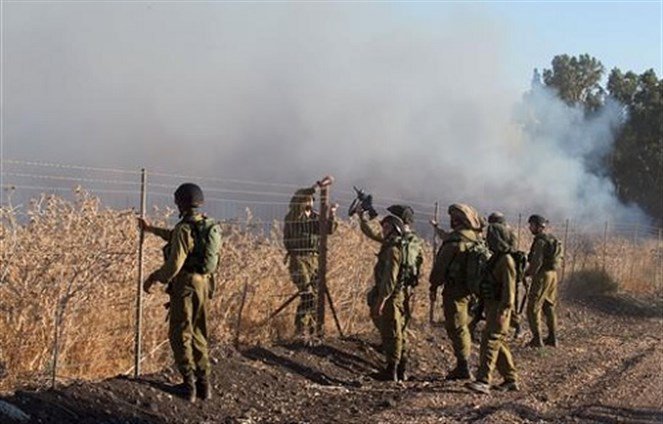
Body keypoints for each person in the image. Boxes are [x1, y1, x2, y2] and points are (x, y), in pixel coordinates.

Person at [140, 183, 220, 403]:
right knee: (199, 332)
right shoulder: (206, 225)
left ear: (181, 203)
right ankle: (204, 385)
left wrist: (154, 277)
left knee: (180, 333)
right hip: (204, 285)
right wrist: (151, 229)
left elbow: (174, 265)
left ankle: (188, 385)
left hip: (185, 286)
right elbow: (177, 237)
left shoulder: (185, 228)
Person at [429, 203, 484, 380]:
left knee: (456, 327)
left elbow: (439, 268)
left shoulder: (454, 241)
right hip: (473, 291)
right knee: (464, 325)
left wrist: (433, 286)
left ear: (456, 220)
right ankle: (467, 361)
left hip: (455, 291)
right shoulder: (476, 239)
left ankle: (463, 366)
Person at [466, 222, 520, 394]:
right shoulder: (496, 258)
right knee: (498, 343)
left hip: (500, 308)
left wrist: (504, 311)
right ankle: (510, 379)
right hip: (492, 306)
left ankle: (483, 380)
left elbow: (509, 291)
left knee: (490, 341)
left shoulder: (506, 261)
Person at [283, 177, 337, 340]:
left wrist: (331, 214)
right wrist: (318, 186)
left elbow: (328, 230)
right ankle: (300, 329)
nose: (309, 201)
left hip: (314, 259)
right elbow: (298, 198)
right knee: (308, 295)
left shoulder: (314, 217)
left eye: (311, 199)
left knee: (316, 295)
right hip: (299, 258)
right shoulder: (295, 215)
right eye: (306, 199)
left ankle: (312, 329)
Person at [525, 214, 563, 348]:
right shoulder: (552, 239)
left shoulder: (540, 241)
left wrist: (527, 273)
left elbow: (536, 262)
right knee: (549, 306)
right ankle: (553, 338)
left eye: (531, 225)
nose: (530, 227)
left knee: (533, 308)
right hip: (553, 275)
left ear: (538, 226)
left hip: (542, 276)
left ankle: (537, 339)